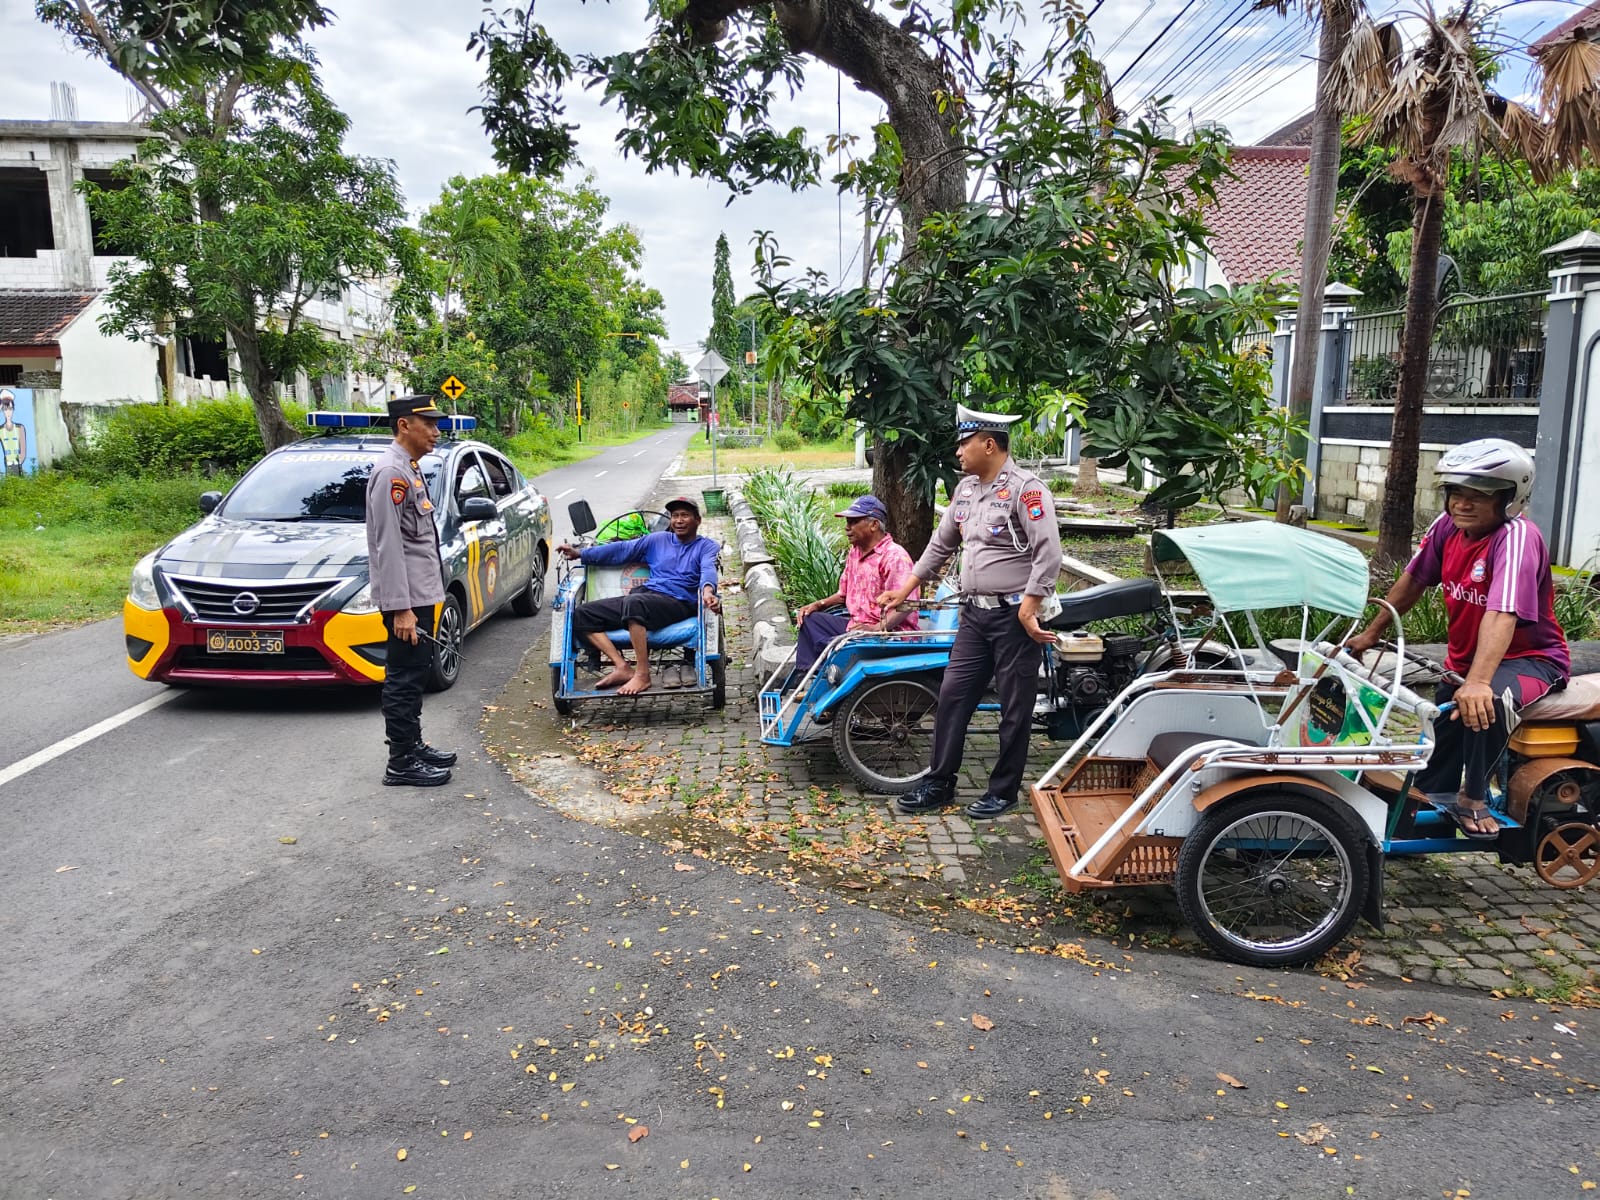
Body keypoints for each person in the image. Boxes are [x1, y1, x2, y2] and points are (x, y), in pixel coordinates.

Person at [1345, 438, 1569, 839]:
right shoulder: (1448, 527)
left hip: (1532, 658)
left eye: (1478, 497)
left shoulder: (1516, 538)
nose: (1462, 505)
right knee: (1441, 727)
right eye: (1456, 494)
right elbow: (1414, 578)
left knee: (1488, 704)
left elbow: (1502, 612)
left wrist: (1480, 682)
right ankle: (1427, 801)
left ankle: (1475, 797)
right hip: (1468, 661)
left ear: (1509, 498)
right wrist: (1370, 633)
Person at [876, 403, 1063, 820]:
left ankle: (1003, 791)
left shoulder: (1026, 490)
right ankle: (939, 782)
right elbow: (940, 547)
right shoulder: (965, 491)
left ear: (990, 444)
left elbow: (1049, 552)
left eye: (965, 443)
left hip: (1014, 617)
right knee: (953, 696)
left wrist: (1031, 606)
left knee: (1016, 708)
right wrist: (903, 591)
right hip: (973, 616)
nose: (959, 452)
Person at [365, 395, 456, 788]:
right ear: (405, 425)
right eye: (429, 424)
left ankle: (413, 745)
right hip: (407, 601)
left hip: (421, 594)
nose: (436, 432)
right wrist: (401, 609)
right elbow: (388, 545)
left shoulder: (410, 469)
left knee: (416, 673)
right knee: (403, 677)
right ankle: (400, 761)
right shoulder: (391, 474)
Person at [556, 496, 721, 696]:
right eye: (675, 516)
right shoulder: (657, 539)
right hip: (647, 597)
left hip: (678, 601)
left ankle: (643, 674)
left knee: (635, 602)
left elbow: (707, 570)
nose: (678, 520)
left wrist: (707, 591)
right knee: (582, 614)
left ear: (697, 520)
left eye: (685, 516)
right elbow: (622, 549)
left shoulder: (706, 546)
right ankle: (622, 667)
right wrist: (581, 553)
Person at [792, 495, 919, 672]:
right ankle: (808, 676)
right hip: (857, 626)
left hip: (889, 634)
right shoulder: (855, 552)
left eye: (853, 522)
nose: (847, 528)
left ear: (874, 525)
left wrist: (876, 628)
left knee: (833, 645)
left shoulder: (895, 557)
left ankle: (829, 675)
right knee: (809, 620)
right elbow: (843, 594)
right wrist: (818, 604)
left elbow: (906, 606)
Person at [0, 389, 26, 478]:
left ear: (13, 409)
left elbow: (23, 450)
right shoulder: (0, 430)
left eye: (10, 409)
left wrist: (19, 463)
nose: (8, 412)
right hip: (7, 464)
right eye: (5, 409)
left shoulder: (20, 428)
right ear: (2, 410)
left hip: (17, 465)